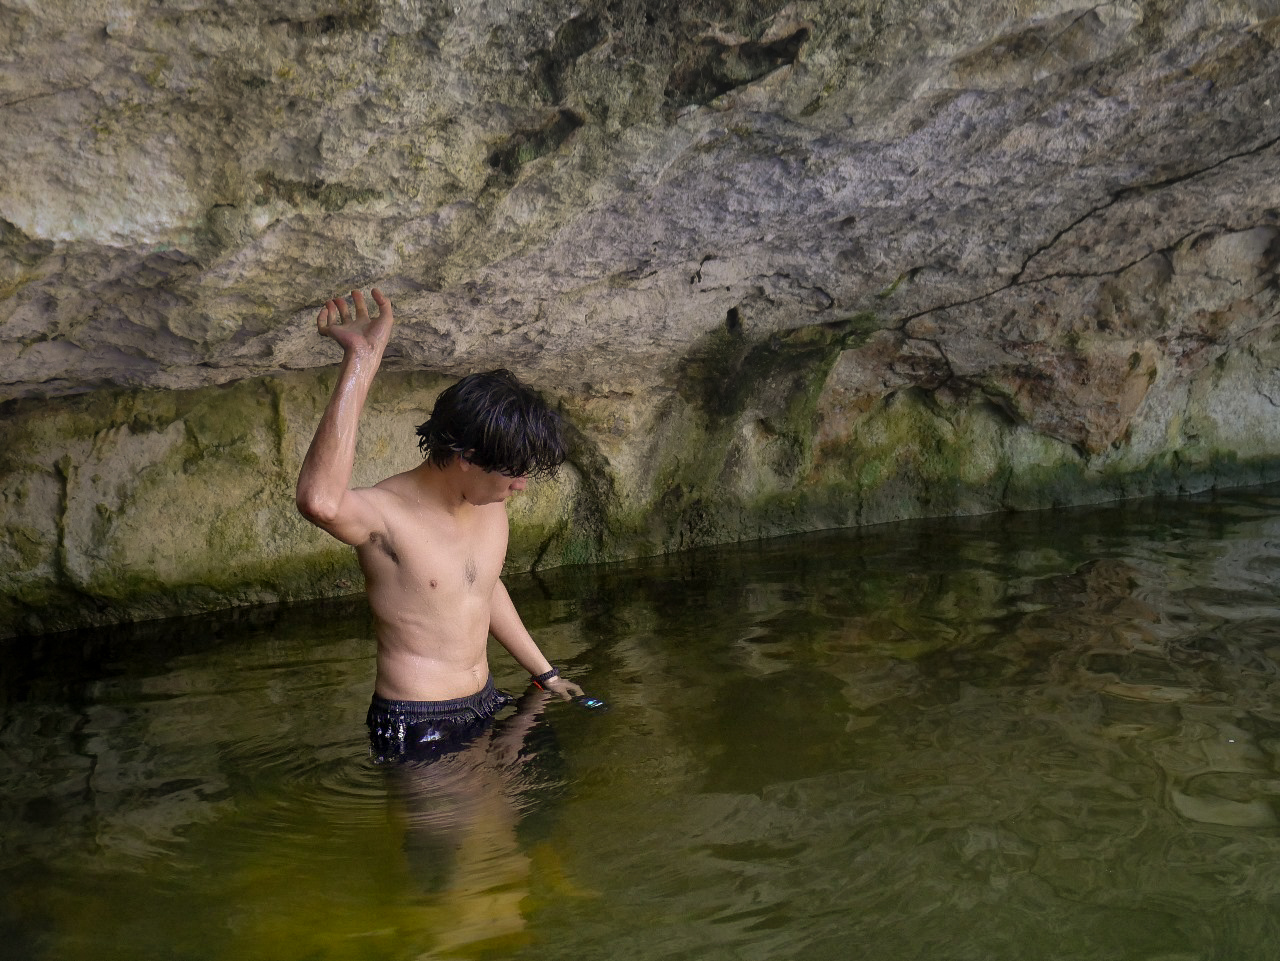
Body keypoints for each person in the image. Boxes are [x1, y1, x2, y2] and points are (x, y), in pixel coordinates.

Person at [295, 288, 583, 762]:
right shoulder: (387, 515)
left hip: (485, 700)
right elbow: (319, 502)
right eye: (513, 473)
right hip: (418, 719)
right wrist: (363, 359)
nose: (522, 488)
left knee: (507, 829)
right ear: (468, 457)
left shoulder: (490, 505)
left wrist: (546, 674)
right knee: (447, 837)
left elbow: (483, 587)